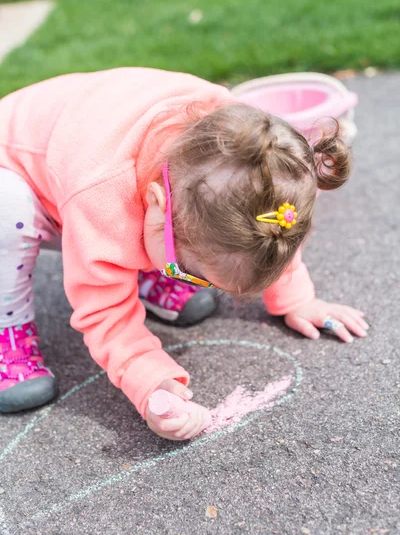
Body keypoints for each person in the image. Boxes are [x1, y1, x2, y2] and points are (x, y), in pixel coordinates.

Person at [0, 68, 368, 439]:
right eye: (189, 271)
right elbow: (103, 311)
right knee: (8, 209)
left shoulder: (255, 159)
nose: (204, 285)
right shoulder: (101, 197)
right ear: (157, 205)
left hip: (85, 151)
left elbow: (267, 232)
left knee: (160, 238)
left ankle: (148, 271)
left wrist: (296, 298)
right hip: (18, 171)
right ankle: (7, 331)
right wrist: (150, 383)